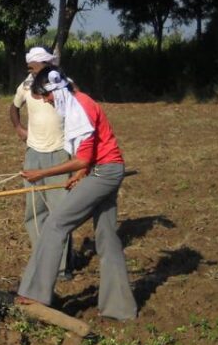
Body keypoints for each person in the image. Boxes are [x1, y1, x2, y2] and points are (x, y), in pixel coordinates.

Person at [16, 69, 137, 321]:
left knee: (56, 223)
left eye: (46, 97)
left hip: (104, 174)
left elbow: (83, 158)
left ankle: (36, 294)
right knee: (107, 239)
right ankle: (120, 308)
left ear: (55, 90)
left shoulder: (80, 107)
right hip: (107, 170)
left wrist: (43, 172)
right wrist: (81, 175)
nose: (47, 102)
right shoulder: (78, 103)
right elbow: (90, 154)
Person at [9, 46, 74, 280]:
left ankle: (61, 267)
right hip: (33, 154)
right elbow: (14, 107)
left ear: (46, 65)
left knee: (60, 211)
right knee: (34, 211)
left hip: (59, 155)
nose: (31, 71)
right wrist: (19, 128)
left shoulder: (65, 84)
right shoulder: (26, 86)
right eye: (29, 68)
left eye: (33, 67)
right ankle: (42, 256)